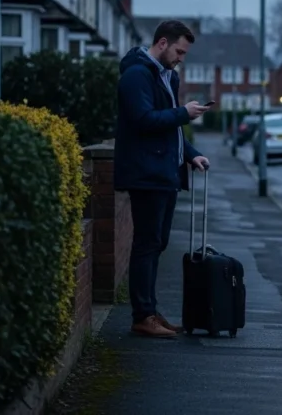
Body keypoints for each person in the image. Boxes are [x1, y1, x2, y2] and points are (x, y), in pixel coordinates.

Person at [114, 19, 211, 338]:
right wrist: (184, 113)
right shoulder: (137, 74)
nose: (181, 57)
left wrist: (190, 153)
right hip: (146, 174)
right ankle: (142, 316)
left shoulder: (168, 75)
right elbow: (142, 120)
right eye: (179, 51)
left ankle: (150, 311)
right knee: (146, 244)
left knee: (157, 243)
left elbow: (170, 128)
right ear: (162, 44)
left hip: (165, 173)